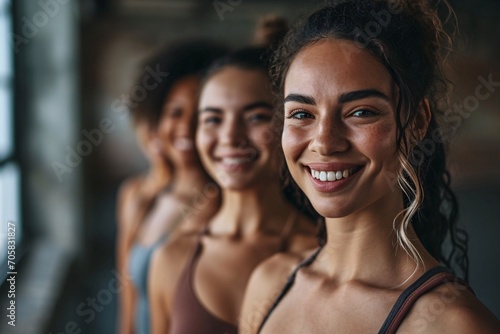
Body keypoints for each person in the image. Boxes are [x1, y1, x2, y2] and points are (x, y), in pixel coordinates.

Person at [240, 1, 500, 333]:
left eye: (361, 112)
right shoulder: (270, 283)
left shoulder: (452, 324)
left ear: (418, 121)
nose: (325, 142)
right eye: (302, 114)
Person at [148, 41, 320, 334]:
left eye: (256, 117)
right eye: (213, 119)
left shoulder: (318, 254)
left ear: (288, 124)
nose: (230, 137)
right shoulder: (172, 256)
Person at [116, 40, 226, 334]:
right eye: (175, 112)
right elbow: (127, 305)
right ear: (157, 119)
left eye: (203, 115)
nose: (186, 127)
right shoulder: (138, 196)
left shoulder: (224, 206)